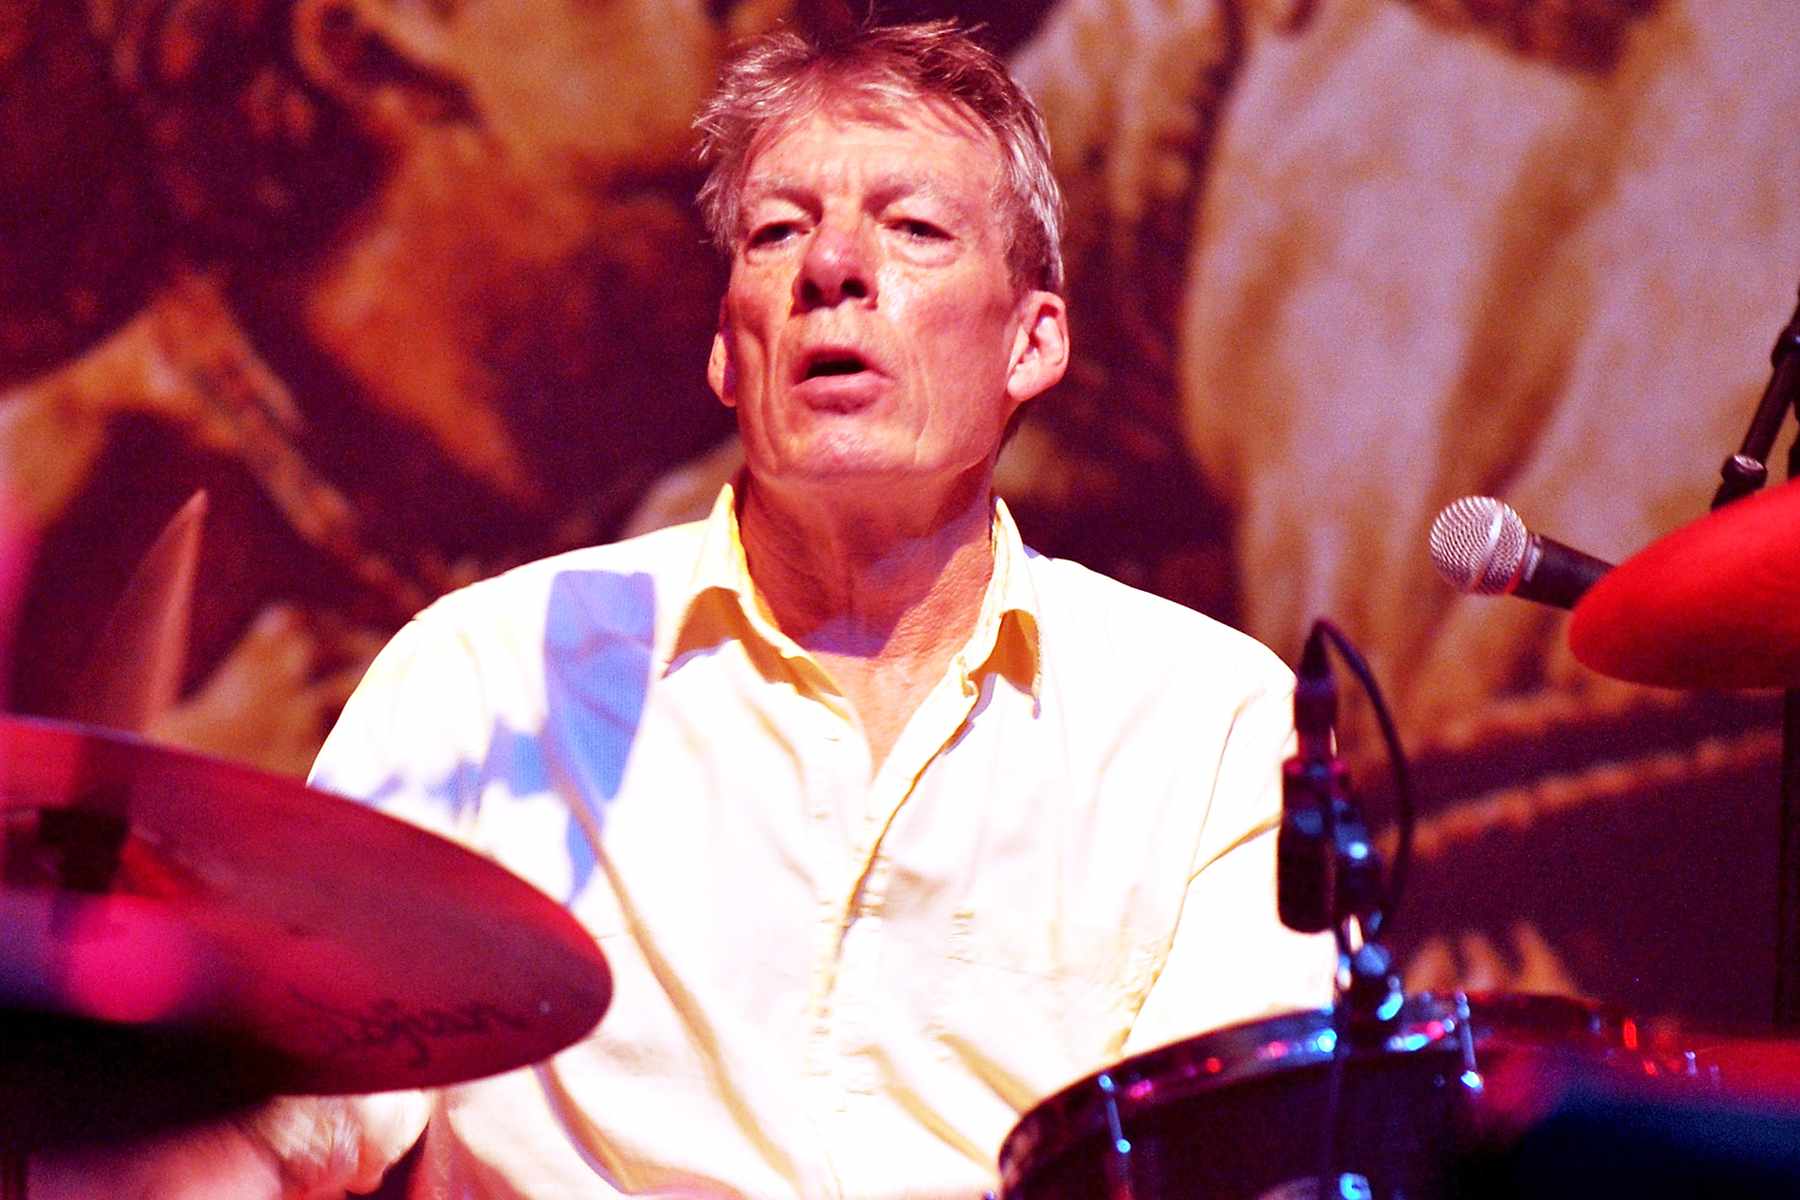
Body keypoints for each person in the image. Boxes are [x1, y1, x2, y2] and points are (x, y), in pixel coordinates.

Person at [34, 19, 1331, 1199]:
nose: (833, 266)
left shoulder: (1212, 721)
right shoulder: (487, 677)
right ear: (726, 350)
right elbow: (293, 1124)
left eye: (913, 231)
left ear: (1032, 343)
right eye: (777, 235)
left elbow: (1237, 1160)